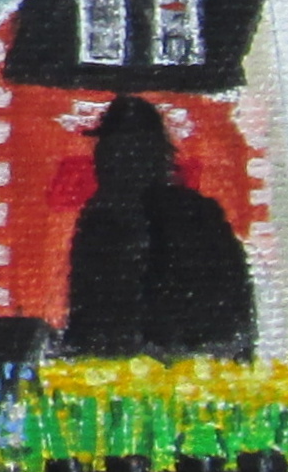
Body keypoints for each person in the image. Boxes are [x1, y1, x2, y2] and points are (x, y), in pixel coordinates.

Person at [59, 95, 256, 359]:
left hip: (190, 360)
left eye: (125, 151)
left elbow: (228, 311)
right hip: (147, 363)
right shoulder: (98, 220)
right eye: (111, 150)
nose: (113, 161)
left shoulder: (193, 214)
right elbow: (86, 314)